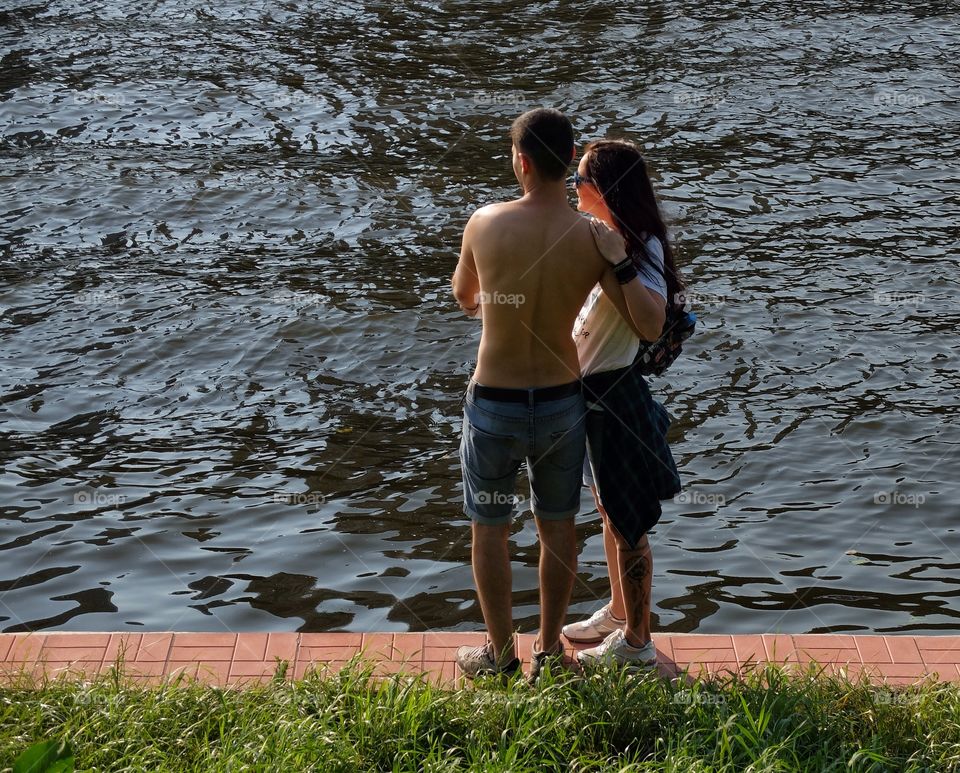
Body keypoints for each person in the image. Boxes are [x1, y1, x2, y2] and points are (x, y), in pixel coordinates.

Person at [450, 109, 624, 681]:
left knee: (491, 526)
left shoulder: (485, 221)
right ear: (569, 162)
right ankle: (550, 652)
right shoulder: (593, 237)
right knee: (557, 527)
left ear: (521, 161)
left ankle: (500, 655)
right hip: (560, 402)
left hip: (495, 401)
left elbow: (465, 295)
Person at [562, 139, 684, 671]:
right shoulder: (602, 238)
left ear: (602, 188)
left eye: (580, 180)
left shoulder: (638, 247)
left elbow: (652, 322)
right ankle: (617, 613)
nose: (573, 188)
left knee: (630, 522)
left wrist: (614, 262)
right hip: (592, 397)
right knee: (610, 510)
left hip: (617, 397)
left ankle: (638, 642)